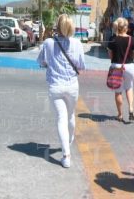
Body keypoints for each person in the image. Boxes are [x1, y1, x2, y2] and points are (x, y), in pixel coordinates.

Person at [37, 14, 86, 168]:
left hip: (55, 86)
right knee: (70, 115)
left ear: (57, 26)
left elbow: (41, 62)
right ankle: (69, 141)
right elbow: (81, 66)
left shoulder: (48, 43)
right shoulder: (77, 44)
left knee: (61, 118)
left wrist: (51, 64)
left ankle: (66, 155)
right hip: (72, 86)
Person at [107, 17, 134, 122]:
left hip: (116, 66)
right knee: (129, 87)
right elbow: (133, 54)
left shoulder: (112, 39)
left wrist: (115, 62)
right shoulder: (132, 39)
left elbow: (110, 54)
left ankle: (120, 115)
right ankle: (131, 108)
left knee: (118, 91)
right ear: (126, 28)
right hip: (129, 66)